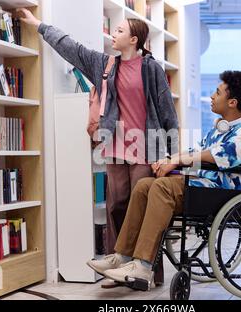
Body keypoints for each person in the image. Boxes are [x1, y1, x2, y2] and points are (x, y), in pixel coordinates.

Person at [17, 8, 178, 286]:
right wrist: (40, 25)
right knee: (117, 205)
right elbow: (71, 48)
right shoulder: (104, 64)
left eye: (119, 31)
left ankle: (150, 271)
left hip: (146, 147)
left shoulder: (152, 69)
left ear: (134, 40)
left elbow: (167, 113)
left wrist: (170, 153)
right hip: (115, 146)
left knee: (141, 208)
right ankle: (118, 268)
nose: (113, 34)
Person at [87, 70, 241, 286]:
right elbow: (194, 151)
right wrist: (168, 159)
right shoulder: (219, 130)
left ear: (232, 102)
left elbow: (217, 155)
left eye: (217, 93)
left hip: (219, 192)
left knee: (161, 187)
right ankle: (123, 256)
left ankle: (143, 266)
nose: (212, 97)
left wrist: (178, 161)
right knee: (143, 186)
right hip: (200, 187)